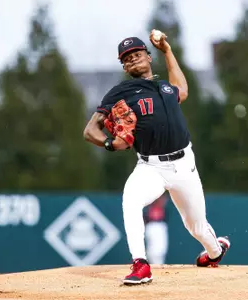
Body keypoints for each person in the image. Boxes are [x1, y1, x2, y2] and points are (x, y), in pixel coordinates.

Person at [83, 29, 230, 285]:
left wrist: (168, 50)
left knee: (196, 227)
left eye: (137, 54)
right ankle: (140, 264)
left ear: (148, 57)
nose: (132, 59)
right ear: (124, 66)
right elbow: (89, 130)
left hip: (184, 165)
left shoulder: (165, 87)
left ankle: (214, 252)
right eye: (126, 58)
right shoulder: (121, 92)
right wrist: (109, 143)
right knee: (130, 201)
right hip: (150, 166)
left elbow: (182, 89)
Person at [143, 192, 169, 265]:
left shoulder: (164, 209)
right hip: (152, 227)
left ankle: (157, 265)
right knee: (154, 251)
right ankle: (150, 264)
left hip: (160, 228)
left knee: (160, 250)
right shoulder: (148, 208)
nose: (163, 200)